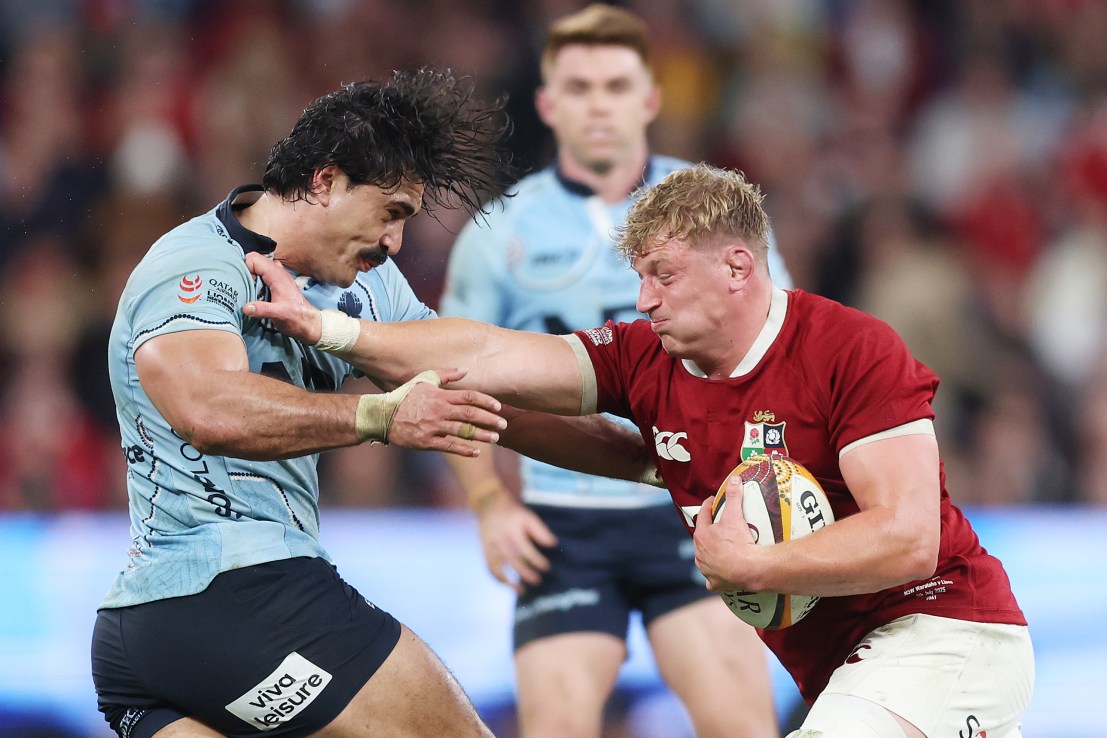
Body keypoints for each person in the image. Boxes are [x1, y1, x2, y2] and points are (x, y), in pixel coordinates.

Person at [246, 163, 1035, 738]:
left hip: (947, 633)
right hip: (846, 662)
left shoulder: (848, 348)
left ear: (737, 267)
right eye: (639, 277)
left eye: (662, 275)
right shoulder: (643, 358)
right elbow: (489, 351)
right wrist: (336, 331)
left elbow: (908, 538)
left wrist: (754, 567)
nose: (644, 298)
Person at [91, 69, 660, 738]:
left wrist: (659, 463)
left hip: (165, 643)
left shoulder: (366, 292)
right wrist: (377, 417)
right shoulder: (193, 266)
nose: (393, 242)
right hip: (235, 597)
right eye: (390, 213)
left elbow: (488, 396)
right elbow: (206, 408)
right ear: (325, 181)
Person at [438, 5, 781, 736]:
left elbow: (776, 349)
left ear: (650, 99)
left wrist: (764, 485)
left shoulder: (717, 210)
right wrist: (489, 505)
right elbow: (448, 377)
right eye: (581, 86)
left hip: (692, 512)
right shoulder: (499, 232)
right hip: (565, 527)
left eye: (616, 86)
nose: (599, 104)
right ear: (547, 103)